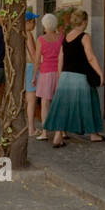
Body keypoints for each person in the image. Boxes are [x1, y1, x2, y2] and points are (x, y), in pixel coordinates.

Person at [44, 8, 105, 147]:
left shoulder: (65, 37)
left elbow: (60, 58)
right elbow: (90, 57)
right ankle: (93, 134)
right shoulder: (84, 37)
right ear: (84, 22)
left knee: (63, 107)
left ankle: (58, 136)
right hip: (80, 77)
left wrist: (61, 76)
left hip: (66, 76)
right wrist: (100, 73)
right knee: (89, 103)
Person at [34, 13, 63, 141]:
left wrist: (34, 75)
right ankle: (61, 131)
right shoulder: (61, 38)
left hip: (45, 73)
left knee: (45, 103)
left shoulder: (41, 39)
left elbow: (37, 59)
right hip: (58, 73)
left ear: (45, 25)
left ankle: (45, 132)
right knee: (59, 103)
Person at [22, 11, 41, 139]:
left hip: (26, 67)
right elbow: (33, 54)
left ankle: (29, 127)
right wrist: (41, 64)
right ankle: (31, 128)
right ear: (27, 22)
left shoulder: (21, 34)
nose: (34, 24)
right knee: (31, 99)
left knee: (29, 99)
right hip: (30, 68)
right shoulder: (28, 34)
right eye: (33, 21)